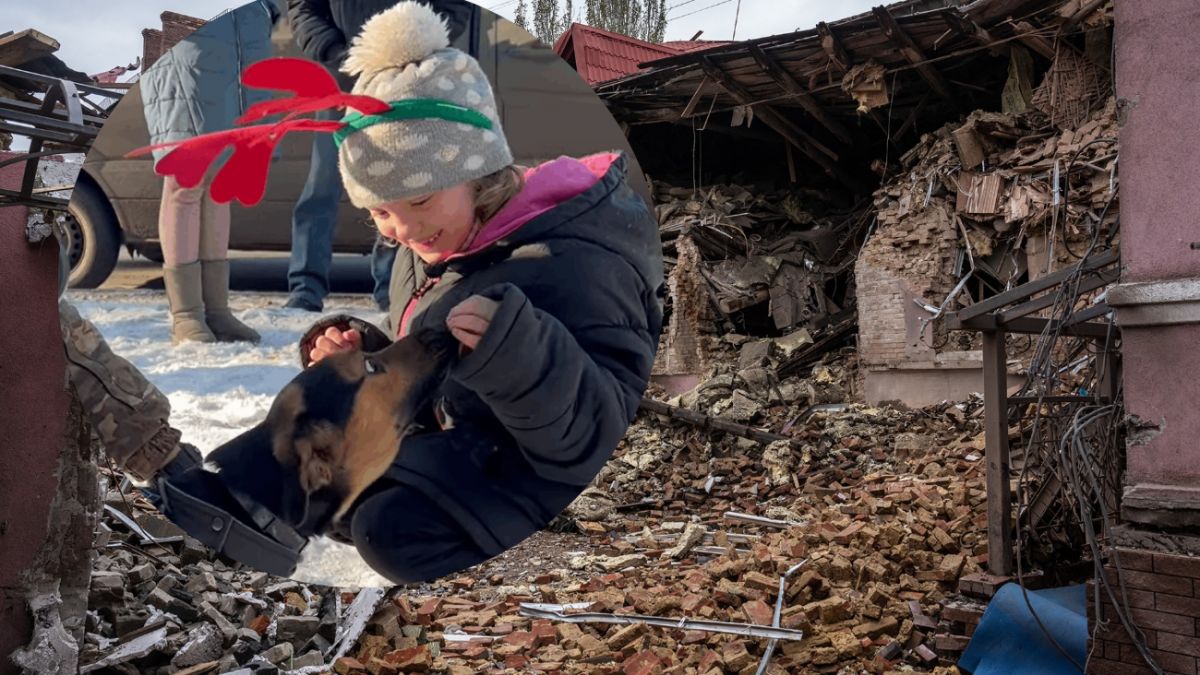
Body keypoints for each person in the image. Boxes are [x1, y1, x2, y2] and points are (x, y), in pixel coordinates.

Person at [286, 0, 665, 582]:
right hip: (467, 434)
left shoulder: (571, 264)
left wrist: (521, 357)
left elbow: (602, 435)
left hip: (545, 474)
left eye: (420, 199)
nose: (403, 231)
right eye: (380, 211)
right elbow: (436, 353)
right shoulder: (436, 243)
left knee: (389, 530)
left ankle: (514, 585)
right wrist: (365, 358)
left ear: (479, 171)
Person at [284, 0, 477, 313]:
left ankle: (393, 288)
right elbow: (303, 8)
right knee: (322, 187)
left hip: (409, 80)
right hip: (342, 82)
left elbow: (454, 7)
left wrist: (414, 48)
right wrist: (338, 55)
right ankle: (306, 287)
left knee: (403, 189)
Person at [138, 0, 280, 343]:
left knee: (220, 182)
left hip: (244, 43)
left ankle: (216, 310)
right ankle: (186, 314)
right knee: (186, 181)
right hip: (192, 46)